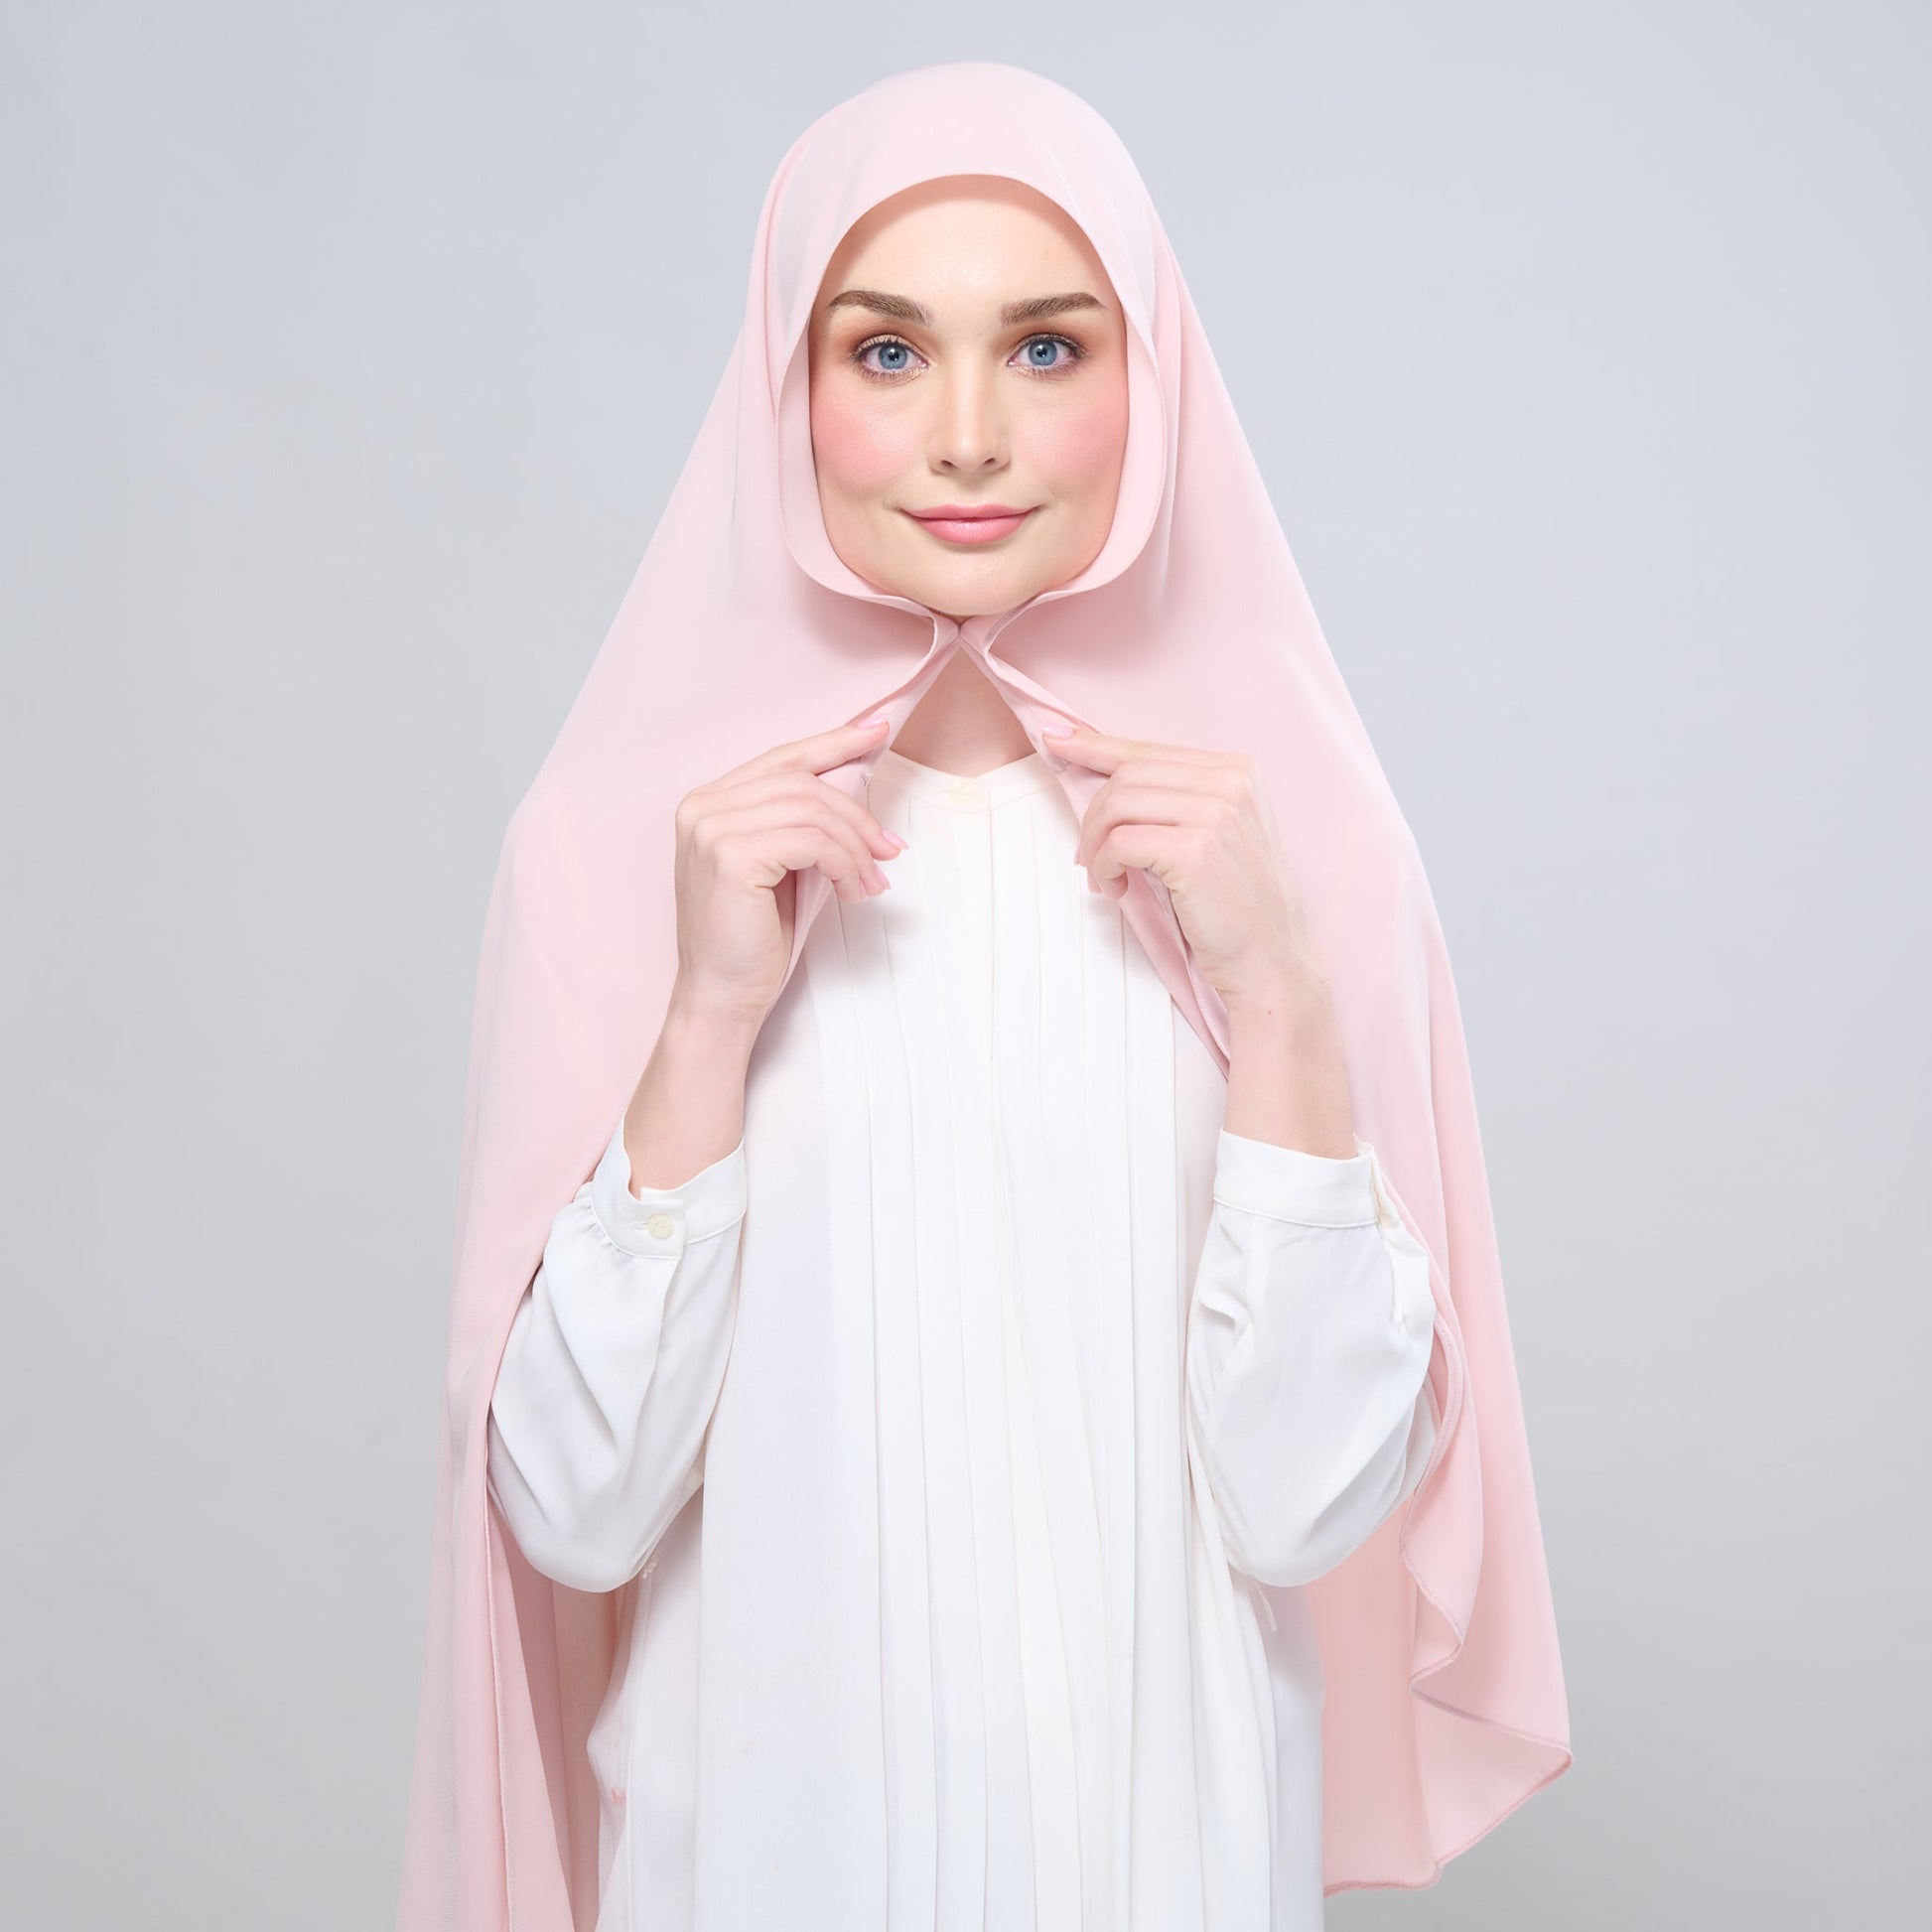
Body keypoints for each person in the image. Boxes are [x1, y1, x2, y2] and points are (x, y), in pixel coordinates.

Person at [396, 62, 1572, 1932]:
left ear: (1149, 383)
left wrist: (1277, 1000)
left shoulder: (1286, 849)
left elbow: (1304, 1507)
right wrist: (705, 1024)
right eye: (884, 353)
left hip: (1166, 1873)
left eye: (1043, 348)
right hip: (756, 1873)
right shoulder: (624, 846)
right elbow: (574, 1513)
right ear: (785, 390)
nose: (965, 437)